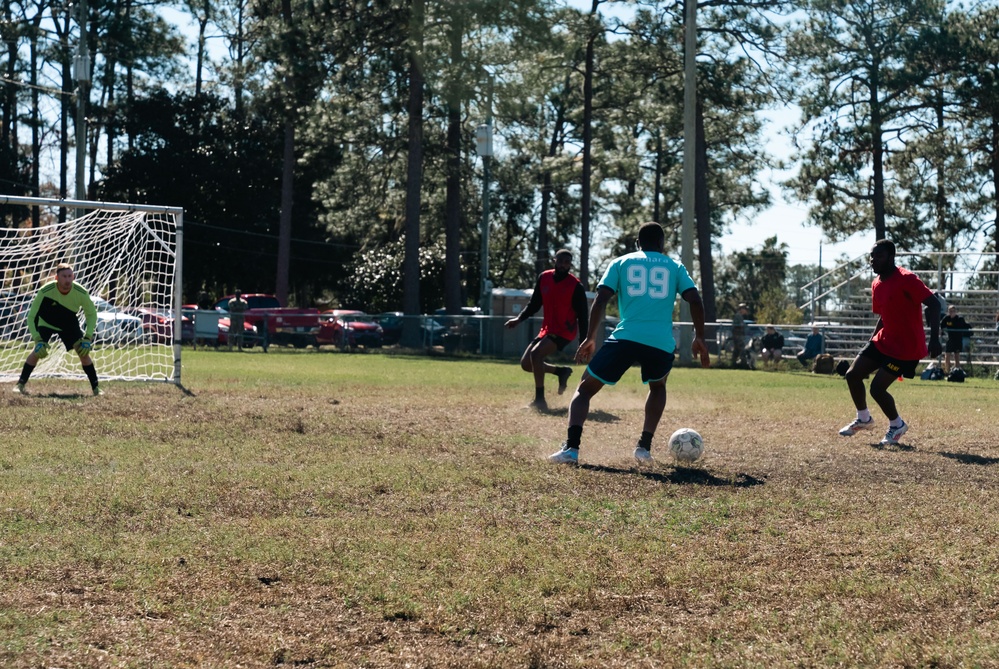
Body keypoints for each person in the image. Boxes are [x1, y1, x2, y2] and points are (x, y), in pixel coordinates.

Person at [548, 222, 708, 464]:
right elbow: (695, 300)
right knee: (658, 388)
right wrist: (700, 337)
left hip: (626, 336)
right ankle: (643, 448)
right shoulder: (675, 266)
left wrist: (590, 337)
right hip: (660, 342)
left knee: (584, 390)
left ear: (638, 243)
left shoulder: (621, 262)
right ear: (661, 244)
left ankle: (571, 449)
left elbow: (600, 300)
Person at [838, 240, 941, 445]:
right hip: (883, 341)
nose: (873, 260)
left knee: (877, 389)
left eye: (879, 256)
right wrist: (872, 341)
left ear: (891, 258)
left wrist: (936, 339)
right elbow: (884, 315)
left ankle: (897, 425)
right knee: (852, 375)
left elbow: (935, 304)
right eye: (872, 256)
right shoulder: (876, 283)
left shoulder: (907, 279)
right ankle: (864, 418)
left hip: (905, 348)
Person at [505, 249, 589, 411]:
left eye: (567, 262)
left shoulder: (576, 286)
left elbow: (583, 316)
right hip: (548, 329)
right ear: (554, 260)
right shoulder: (544, 278)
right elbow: (534, 304)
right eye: (561, 261)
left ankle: (539, 400)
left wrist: (583, 342)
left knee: (536, 354)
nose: (564, 265)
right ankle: (561, 371)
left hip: (564, 331)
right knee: (527, 364)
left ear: (570, 264)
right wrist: (519, 319)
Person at [11, 263, 101, 396]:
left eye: (70, 276)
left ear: (73, 276)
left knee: (83, 353)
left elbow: (91, 314)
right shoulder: (45, 291)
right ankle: (20, 384)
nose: (67, 279)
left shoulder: (81, 292)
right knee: (36, 352)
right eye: (64, 276)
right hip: (46, 322)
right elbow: (31, 317)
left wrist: (88, 337)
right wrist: (37, 339)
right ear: (56, 278)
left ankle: (96, 388)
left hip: (68, 322)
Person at [939, 305, 971, 373]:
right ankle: (947, 371)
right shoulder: (946, 318)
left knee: (956, 356)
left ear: (955, 311)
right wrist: (941, 331)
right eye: (950, 311)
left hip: (957, 340)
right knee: (947, 355)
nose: (952, 312)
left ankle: (957, 371)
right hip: (950, 339)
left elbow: (965, 326)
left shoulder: (960, 319)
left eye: (953, 311)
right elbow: (941, 325)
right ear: (948, 311)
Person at [731, 303, 752, 368]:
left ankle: (733, 364)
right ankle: (744, 365)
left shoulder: (740, 316)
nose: (746, 311)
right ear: (741, 309)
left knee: (736, 351)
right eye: (745, 309)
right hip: (738, 336)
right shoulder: (738, 316)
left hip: (739, 335)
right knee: (742, 350)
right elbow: (738, 326)